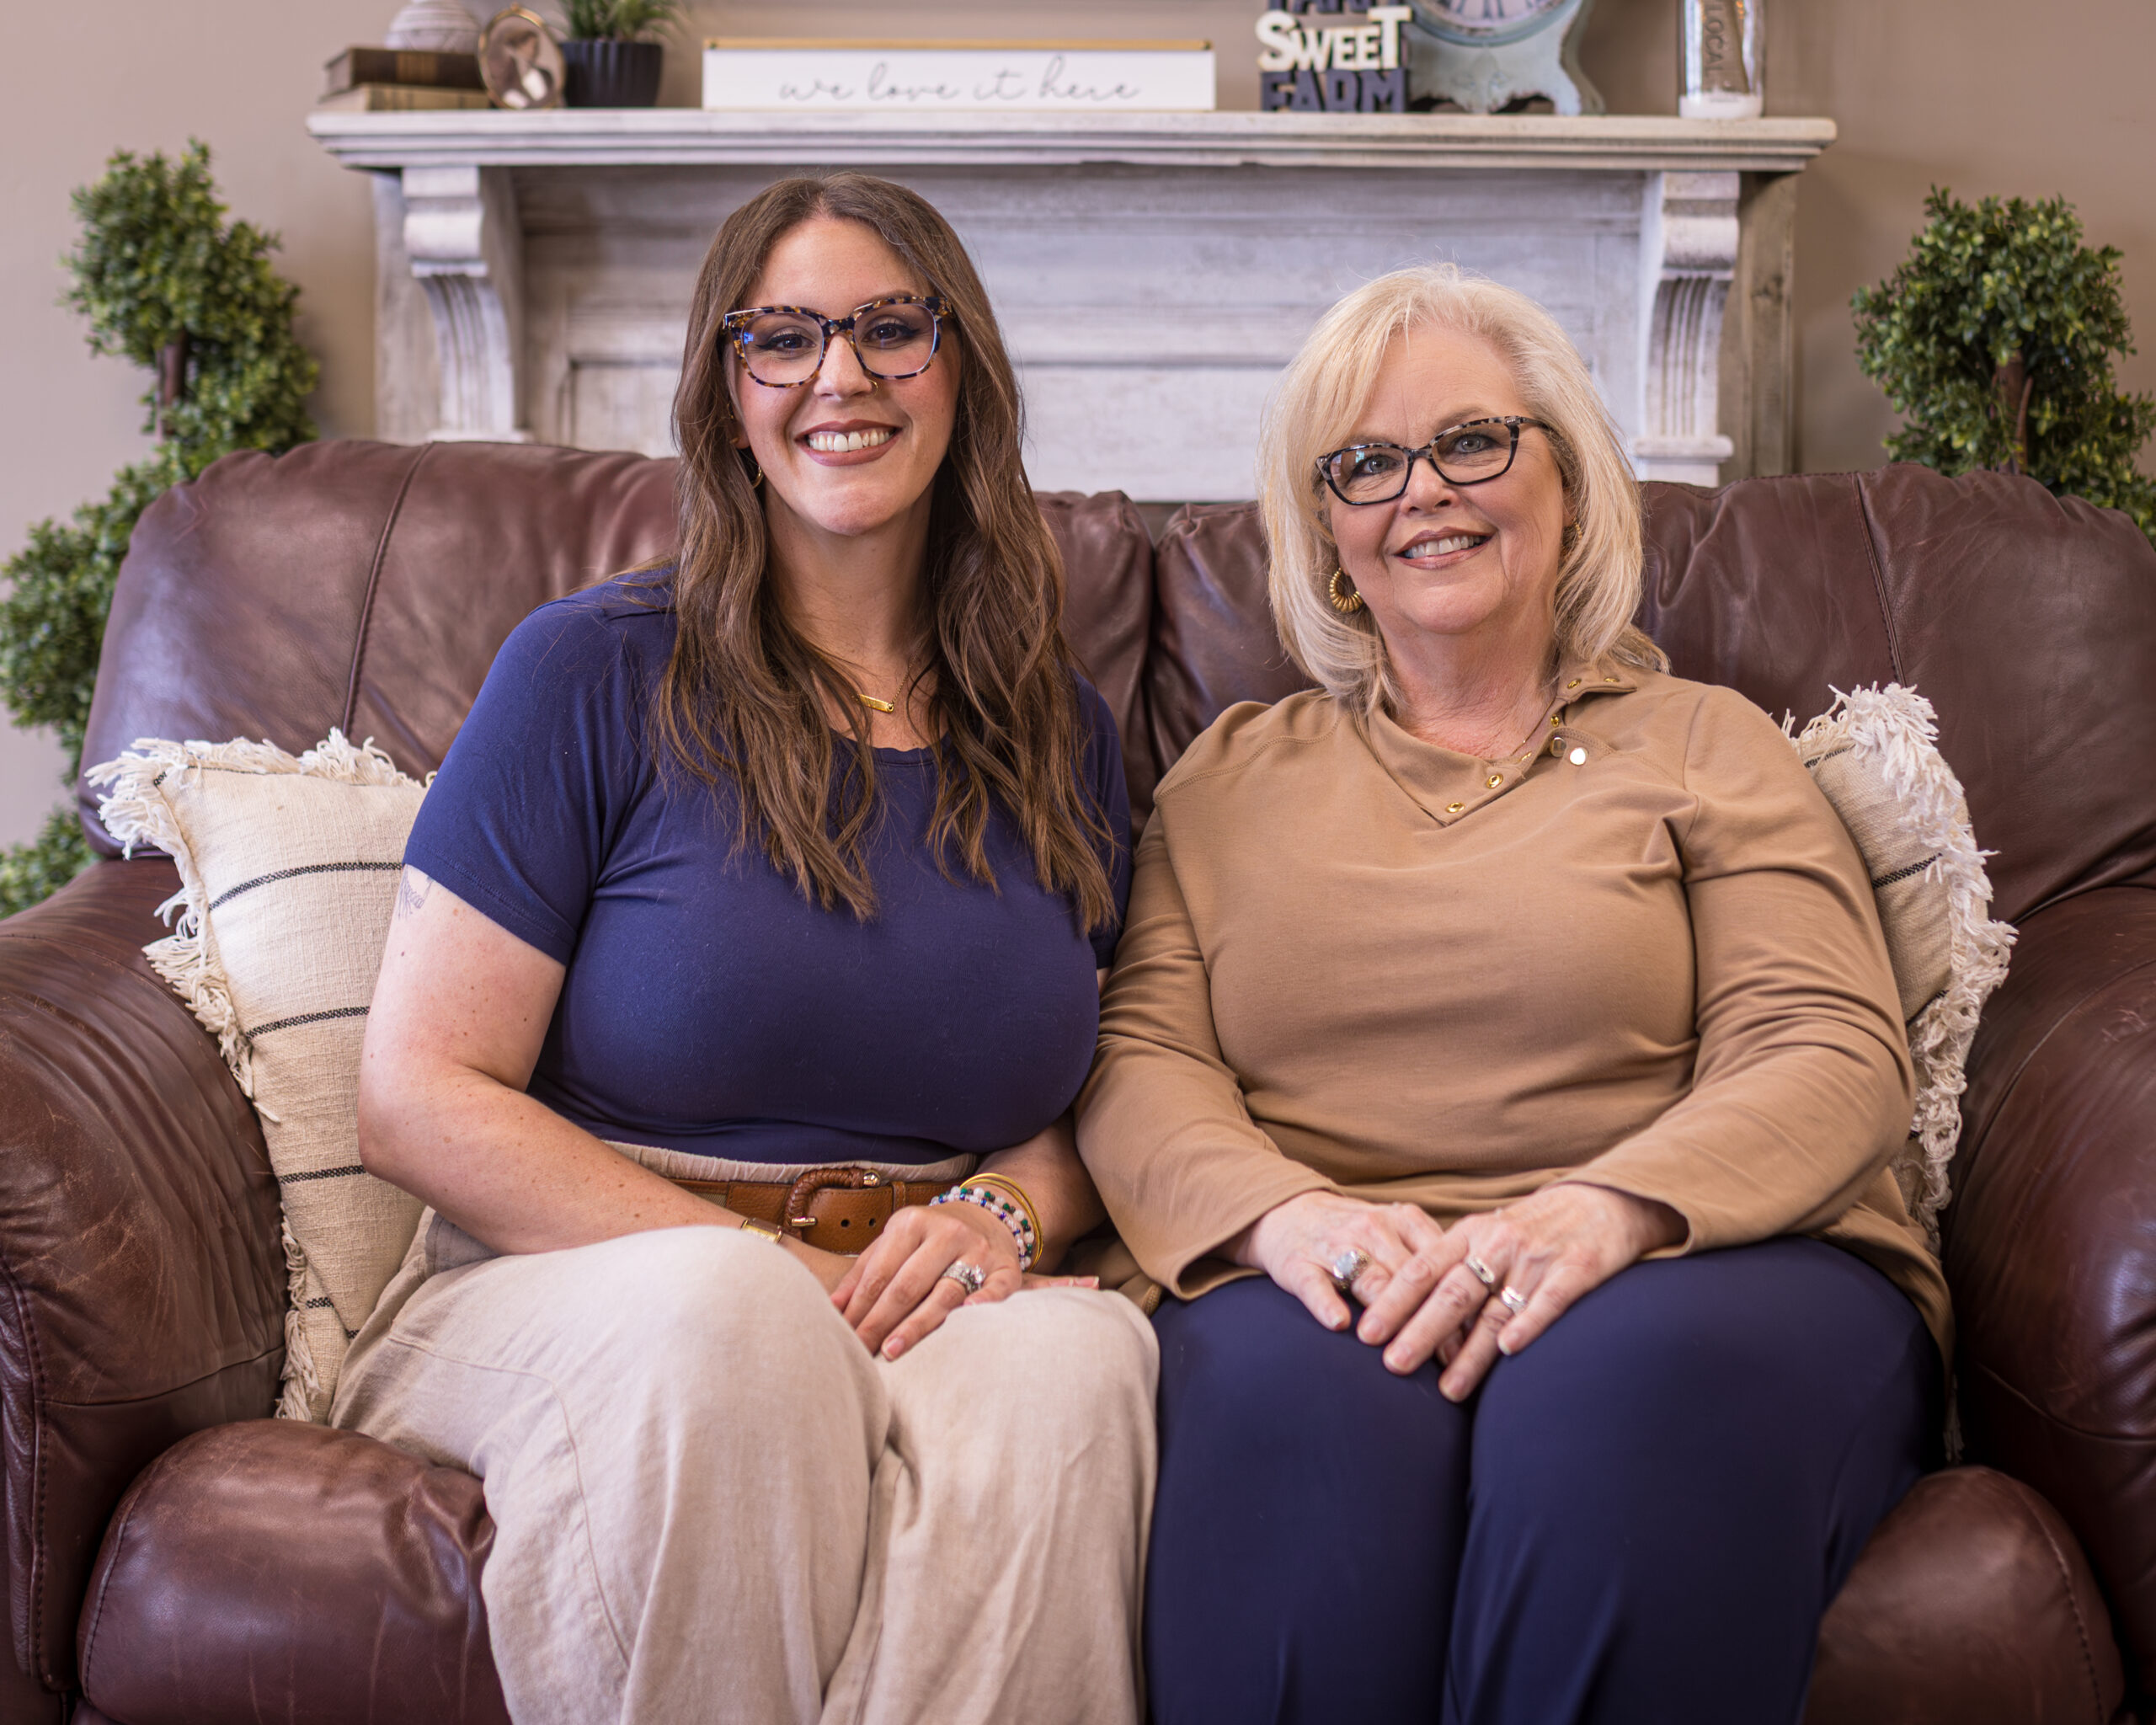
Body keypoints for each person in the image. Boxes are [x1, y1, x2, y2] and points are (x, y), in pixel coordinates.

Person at [1076, 263, 1949, 1724]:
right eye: (1366, 464)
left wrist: (1603, 1214)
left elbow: (1826, 1042)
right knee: (1292, 1408)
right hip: (1334, 1274)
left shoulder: (1705, 743)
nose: (1425, 491)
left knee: (1615, 1392)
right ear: (1330, 536)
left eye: (1473, 440)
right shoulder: (1227, 776)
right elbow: (1137, 1056)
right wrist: (1292, 1222)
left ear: (1570, 482)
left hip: (1700, 1264)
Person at [339, 173, 1155, 1725]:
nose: (837, 376)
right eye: (780, 338)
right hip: (592, 1283)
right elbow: (417, 1091)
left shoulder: (1059, 729)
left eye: (888, 330)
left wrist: (1004, 1211)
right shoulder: (589, 671)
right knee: (738, 1326)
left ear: (958, 370)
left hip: (924, 1285)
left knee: (1080, 1370)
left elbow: (1094, 1091)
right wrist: (765, 1265)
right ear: (727, 399)